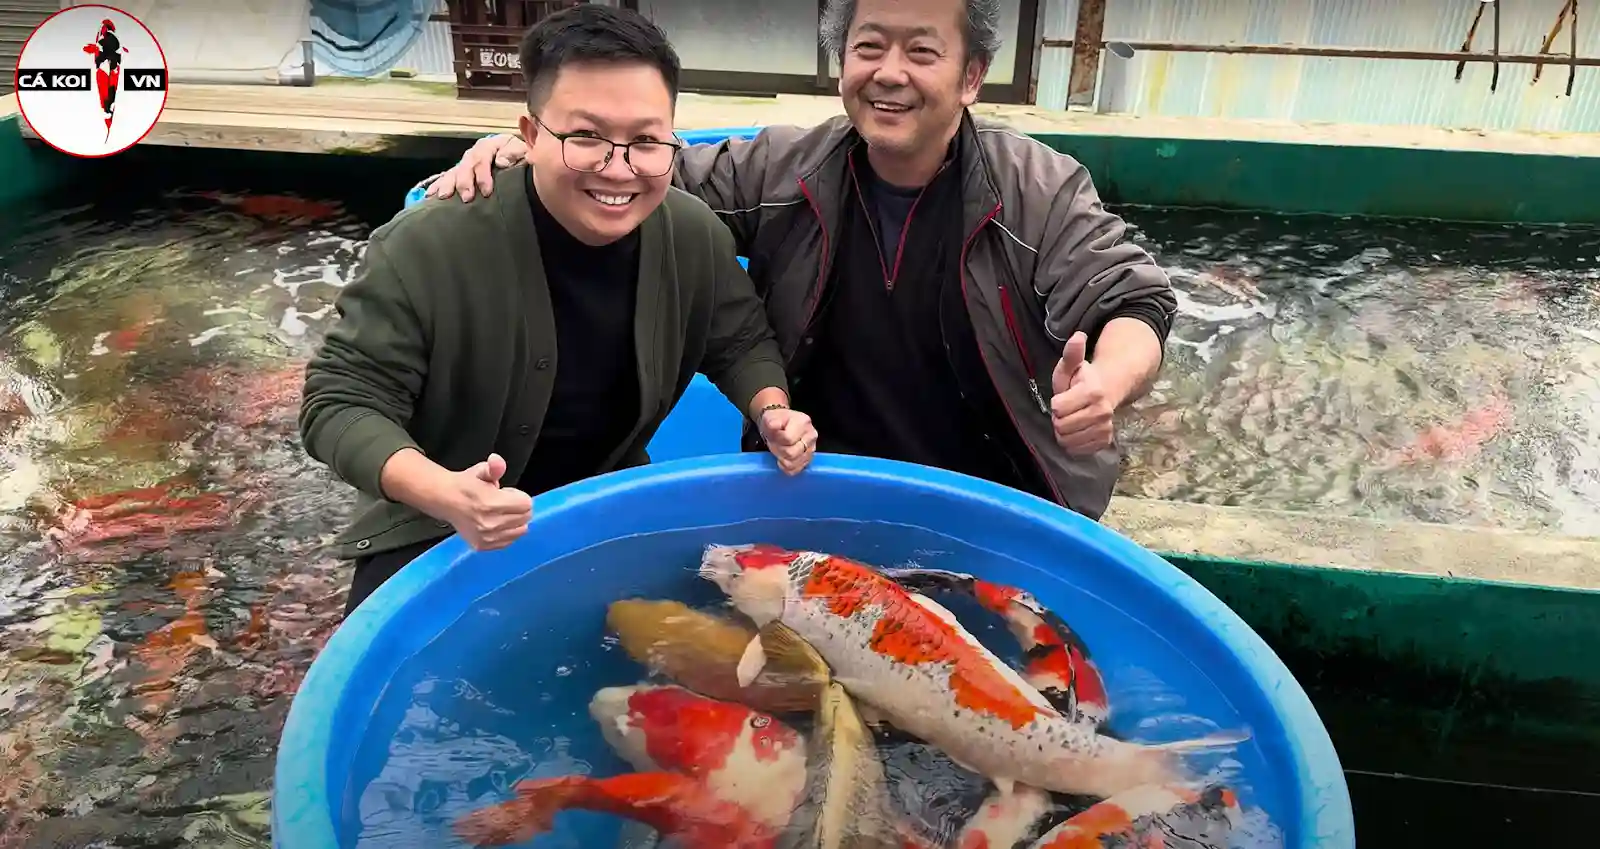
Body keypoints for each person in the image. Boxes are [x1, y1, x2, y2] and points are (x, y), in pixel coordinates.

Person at [421, 0, 1176, 522]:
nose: (889, 72)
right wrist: (537, 150)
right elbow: (645, 173)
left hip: (998, 502)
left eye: (921, 51)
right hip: (812, 490)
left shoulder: (1037, 187)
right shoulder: (784, 171)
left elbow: (1131, 298)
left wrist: (1105, 385)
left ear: (971, 76)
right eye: (868, 45)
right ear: (841, 60)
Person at [300, 4, 817, 615]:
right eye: (586, 137)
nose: (618, 168)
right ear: (529, 135)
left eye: (647, 141)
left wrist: (773, 410)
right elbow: (340, 402)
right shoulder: (426, 244)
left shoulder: (691, 234)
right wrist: (447, 493)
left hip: (605, 500)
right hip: (437, 528)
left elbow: (738, 340)